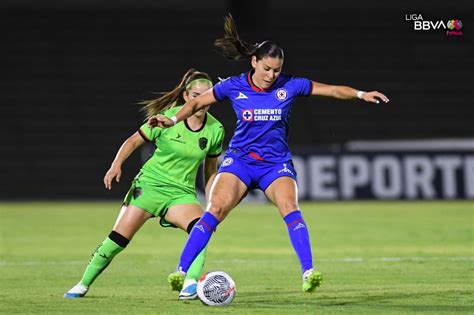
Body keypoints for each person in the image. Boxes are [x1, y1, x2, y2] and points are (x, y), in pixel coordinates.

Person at [149, 15, 389, 293]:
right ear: (254, 62)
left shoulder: (291, 85)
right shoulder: (234, 86)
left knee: (290, 208)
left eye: (276, 70)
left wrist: (360, 94)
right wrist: (173, 120)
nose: (271, 75)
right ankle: (181, 271)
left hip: (275, 165)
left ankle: (309, 272)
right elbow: (197, 103)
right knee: (214, 210)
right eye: (266, 68)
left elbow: (333, 90)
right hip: (239, 161)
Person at [63, 69, 225, 300]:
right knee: (118, 240)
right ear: (187, 96)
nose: (202, 101)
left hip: (181, 194)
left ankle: (190, 284)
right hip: (149, 186)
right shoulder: (167, 118)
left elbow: (211, 171)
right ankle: (82, 284)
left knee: (202, 229)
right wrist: (116, 164)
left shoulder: (215, 129)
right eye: (197, 95)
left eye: (207, 95)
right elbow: (133, 140)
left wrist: (212, 202)